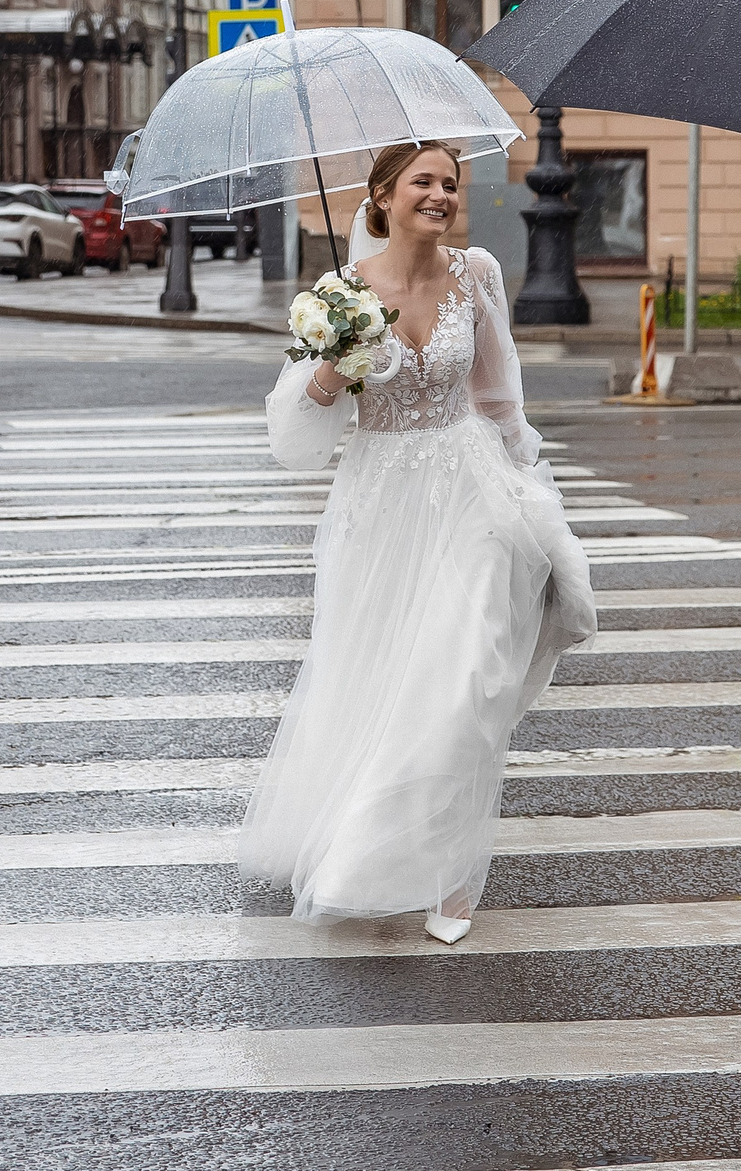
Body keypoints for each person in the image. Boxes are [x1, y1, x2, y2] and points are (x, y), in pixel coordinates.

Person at [240, 142, 595, 944]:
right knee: (380, 681)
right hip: (381, 505)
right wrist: (335, 364)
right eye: (423, 182)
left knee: (462, 677)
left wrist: (535, 493)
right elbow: (296, 435)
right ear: (383, 196)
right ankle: (369, 851)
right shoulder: (341, 295)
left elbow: (501, 398)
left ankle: (449, 869)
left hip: (472, 492)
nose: (441, 194)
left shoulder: (476, 275)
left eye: (449, 182)